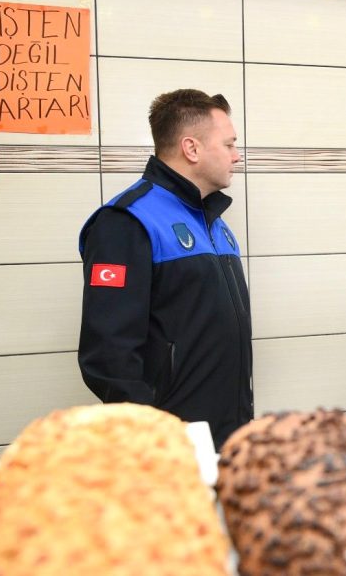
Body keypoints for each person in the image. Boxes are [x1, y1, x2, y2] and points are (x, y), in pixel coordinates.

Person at [77, 89, 252, 448]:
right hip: (170, 442)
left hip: (225, 433)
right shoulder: (127, 222)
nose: (237, 156)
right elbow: (110, 356)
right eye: (229, 144)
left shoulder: (213, 220)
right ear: (192, 148)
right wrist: (152, 440)